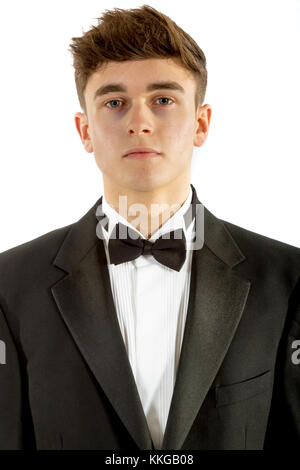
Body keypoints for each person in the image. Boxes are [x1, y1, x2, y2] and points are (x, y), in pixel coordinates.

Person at [0, 4, 299, 451]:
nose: (139, 122)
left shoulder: (288, 278)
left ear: (200, 123)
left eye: (163, 100)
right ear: (85, 130)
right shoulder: (10, 284)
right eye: (115, 102)